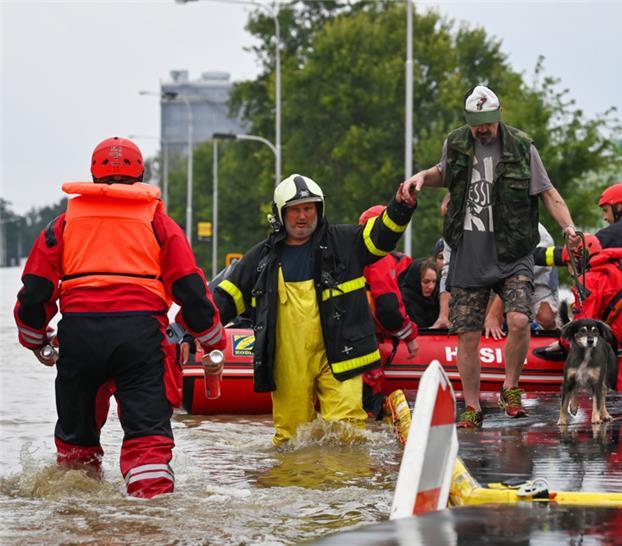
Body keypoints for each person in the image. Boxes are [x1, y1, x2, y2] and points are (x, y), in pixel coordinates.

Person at [13, 137, 226, 498]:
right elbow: (191, 290)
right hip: (140, 338)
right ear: (141, 174)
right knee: (148, 445)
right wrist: (212, 341)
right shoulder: (159, 223)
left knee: (75, 454)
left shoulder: (62, 226)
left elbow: (34, 292)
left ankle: (78, 519)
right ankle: (150, 518)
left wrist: (36, 339)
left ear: (94, 177)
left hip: (80, 338)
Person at [399, 85, 579, 428]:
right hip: (469, 255)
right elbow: (443, 171)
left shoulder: (522, 147)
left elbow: (548, 192)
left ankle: (510, 388)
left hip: (512, 252)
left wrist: (569, 228)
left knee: (520, 320)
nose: (482, 129)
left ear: (499, 115)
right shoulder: (457, 142)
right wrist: (422, 176)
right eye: (476, 123)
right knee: (466, 332)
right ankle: (471, 406)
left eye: (487, 122)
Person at [210, 174, 416, 444]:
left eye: (308, 208)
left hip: (341, 354)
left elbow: (381, 236)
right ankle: (292, 486)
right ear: (280, 214)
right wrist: (193, 331)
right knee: (291, 438)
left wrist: (401, 206)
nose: (302, 216)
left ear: (319, 209)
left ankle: (346, 486)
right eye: (295, 210)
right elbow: (226, 298)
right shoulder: (261, 258)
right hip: (287, 361)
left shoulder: (346, 242)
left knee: (346, 433)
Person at [540, 233, 622, 391]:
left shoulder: (589, 280)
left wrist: (562, 343)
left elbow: (583, 325)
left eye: (570, 263)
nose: (570, 270)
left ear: (578, 259)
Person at [540, 182, 622, 281]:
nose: (605, 217)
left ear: (619, 206)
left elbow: (577, 253)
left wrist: (535, 256)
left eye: (606, 210)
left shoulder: (619, 231)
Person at [358, 204, 419, 417]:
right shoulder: (379, 259)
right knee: (368, 413)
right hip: (365, 341)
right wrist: (410, 335)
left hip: (348, 333)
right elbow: (388, 308)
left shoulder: (353, 252)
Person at [532, 223, 560, 330]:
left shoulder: (541, 234)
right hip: (493, 278)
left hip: (539, 280)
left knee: (546, 319)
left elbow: (515, 273)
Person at [401, 258, 441, 328]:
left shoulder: (438, 300)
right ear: (415, 281)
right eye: (426, 282)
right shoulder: (402, 301)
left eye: (434, 281)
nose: (431, 286)